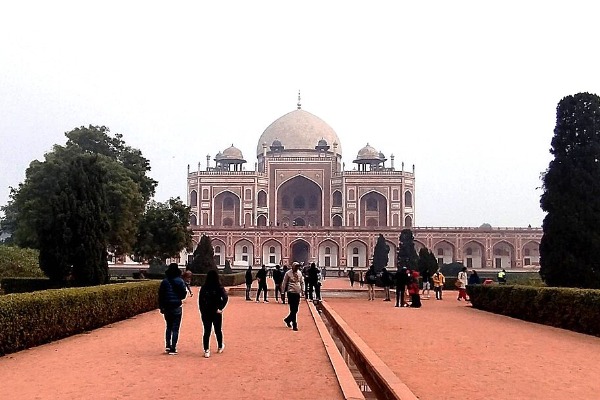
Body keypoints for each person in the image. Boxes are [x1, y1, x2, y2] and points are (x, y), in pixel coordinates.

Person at [158, 263, 188, 355]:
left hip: (167, 306)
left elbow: (160, 295)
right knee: (175, 328)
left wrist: (161, 307)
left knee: (168, 327)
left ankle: (167, 345)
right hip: (176, 306)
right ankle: (173, 348)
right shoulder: (180, 281)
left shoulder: (165, 281)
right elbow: (183, 293)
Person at [199, 269, 229, 358]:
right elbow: (225, 297)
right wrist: (220, 307)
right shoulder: (219, 287)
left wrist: (202, 311)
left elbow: (200, 301)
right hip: (216, 311)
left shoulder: (204, 287)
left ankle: (206, 350)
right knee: (218, 330)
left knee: (207, 331)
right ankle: (220, 346)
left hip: (206, 311)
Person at [282, 262, 304, 331]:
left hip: (297, 292)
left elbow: (302, 282)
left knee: (296, 309)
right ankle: (294, 324)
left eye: (298, 267)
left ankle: (287, 319)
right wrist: (283, 292)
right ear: (293, 267)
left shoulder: (299, 273)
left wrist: (303, 290)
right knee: (292, 309)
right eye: (296, 266)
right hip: (291, 292)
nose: (297, 268)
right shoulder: (288, 273)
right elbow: (284, 283)